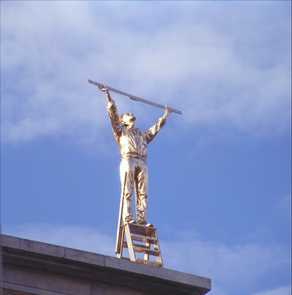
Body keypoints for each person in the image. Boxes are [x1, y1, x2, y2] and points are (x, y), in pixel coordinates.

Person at [98, 85, 171, 227]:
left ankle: (142, 220)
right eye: (127, 114)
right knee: (128, 190)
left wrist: (165, 115)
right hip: (128, 159)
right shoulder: (120, 131)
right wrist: (108, 95)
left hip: (142, 162)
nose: (131, 112)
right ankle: (128, 218)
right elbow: (113, 115)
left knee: (143, 193)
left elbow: (154, 129)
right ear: (124, 121)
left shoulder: (142, 134)